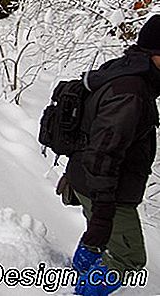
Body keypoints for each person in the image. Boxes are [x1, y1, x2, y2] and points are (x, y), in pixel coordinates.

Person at [64, 15, 160, 295]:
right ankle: (83, 291)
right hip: (105, 188)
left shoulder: (124, 71)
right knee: (128, 258)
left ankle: (78, 272)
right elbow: (103, 153)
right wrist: (104, 209)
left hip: (87, 178)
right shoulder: (132, 93)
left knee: (100, 238)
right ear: (154, 53)